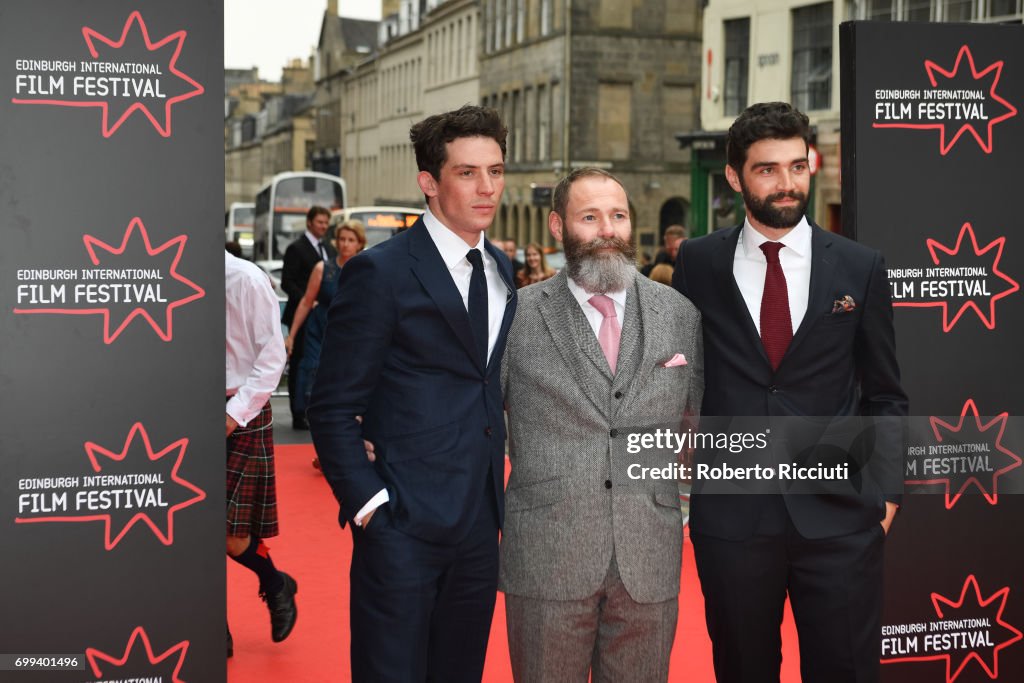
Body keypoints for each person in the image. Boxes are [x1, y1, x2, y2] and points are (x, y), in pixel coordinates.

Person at [672, 101, 907, 683]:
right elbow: (680, 379)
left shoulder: (859, 265)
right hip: (732, 522)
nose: (786, 183)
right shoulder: (698, 264)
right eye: (767, 169)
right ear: (734, 176)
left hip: (841, 521)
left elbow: (886, 393)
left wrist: (886, 499)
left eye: (797, 167)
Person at [307, 105, 515, 682]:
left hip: (479, 523)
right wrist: (372, 508)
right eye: (468, 173)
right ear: (429, 183)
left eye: (496, 171)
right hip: (403, 524)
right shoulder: (382, 272)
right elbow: (331, 405)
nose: (487, 187)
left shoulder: (499, 268)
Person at [501, 168, 704, 682]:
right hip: (546, 555)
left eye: (618, 216)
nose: (607, 229)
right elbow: (477, 420)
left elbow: (693, 426)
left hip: (649, 556)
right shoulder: (514, 315)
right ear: (557, 226)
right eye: (589, 217)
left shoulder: (680, 314)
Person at [225, 249, 297, 658]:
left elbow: (273, 356)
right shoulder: (167, 280)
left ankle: (275, 583)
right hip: (184, 411)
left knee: (233, 539)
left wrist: (234, 415)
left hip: (243, 412)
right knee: (189, 530)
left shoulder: (247, 279)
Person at [280, 205, 331, 429]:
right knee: (300, 363)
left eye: (326, 223)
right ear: (309, 222)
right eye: (320, 222)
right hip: (301, 317)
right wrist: (308, 300)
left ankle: (316, 408)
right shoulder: (295, 248)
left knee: (322, 364)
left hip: (325, 319)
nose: (323, 226)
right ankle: (298, 413)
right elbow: (286, 282)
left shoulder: (329, 249)